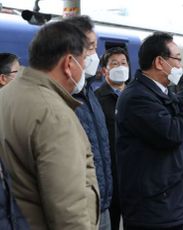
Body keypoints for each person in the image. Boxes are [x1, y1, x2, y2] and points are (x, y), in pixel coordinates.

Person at [0, 20, 100, 229]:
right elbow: (68, 210)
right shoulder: (54, 114)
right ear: (68, 64)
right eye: (83, 60)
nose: (85, 68)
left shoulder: (6, 95)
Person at [116, 32, 183, 230]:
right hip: (151, 206)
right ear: (160, 62)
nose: (179, 66)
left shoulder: (161, 92)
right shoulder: (138, 97)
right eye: (177, 59)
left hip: (168, 200)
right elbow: (173, 133)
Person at [64, 15, 112, 230]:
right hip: (77, 211)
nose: (95, 55)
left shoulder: (89, 92)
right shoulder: (57, 98)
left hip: (102, 205)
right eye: (90, 47)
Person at [95, 47, 130, 230]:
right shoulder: (96, 100)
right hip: (111, 176)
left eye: (123, 63)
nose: (120, 67)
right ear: (104, 71)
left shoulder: (136, 96)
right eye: (114, 64)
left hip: (135, 175)